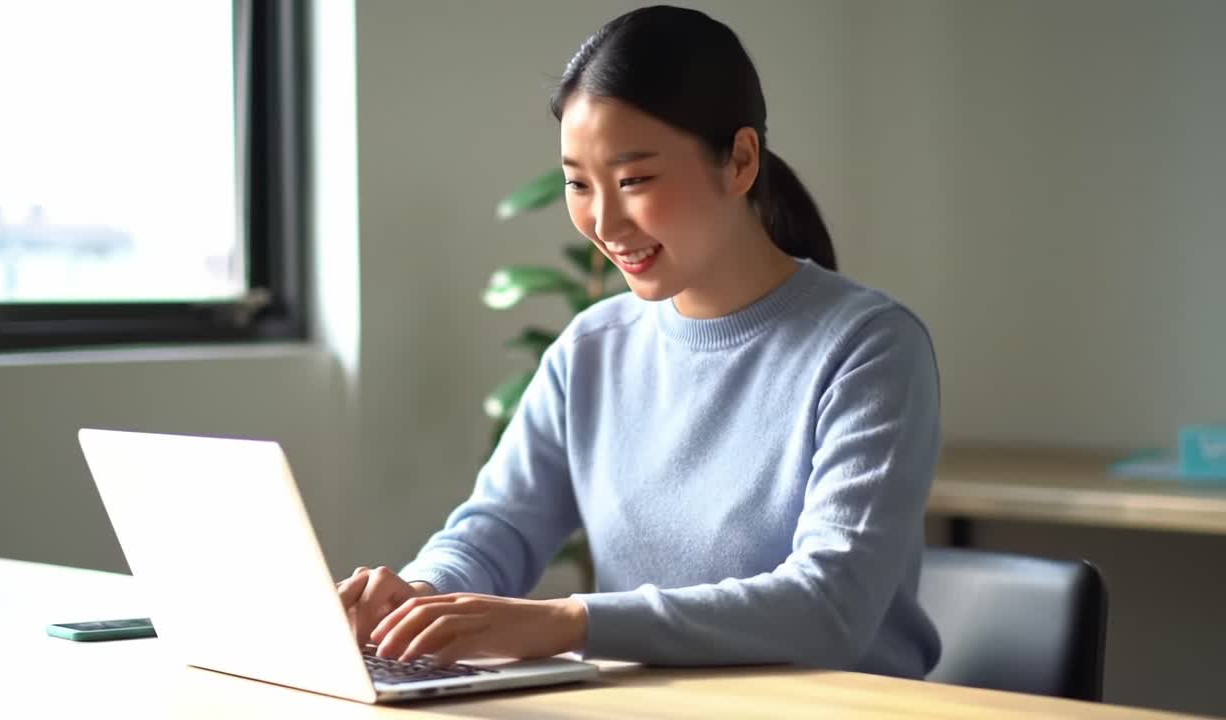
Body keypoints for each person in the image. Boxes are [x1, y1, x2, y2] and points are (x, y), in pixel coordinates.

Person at [338, 4, 942, 679]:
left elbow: (830, 608)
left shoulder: (870, 348)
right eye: (578, 184)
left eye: (634, 181)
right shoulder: (591, 348)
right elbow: (498, 528)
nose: (603, 221)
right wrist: (418, 597)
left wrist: (569, 622)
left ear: (740, 161)